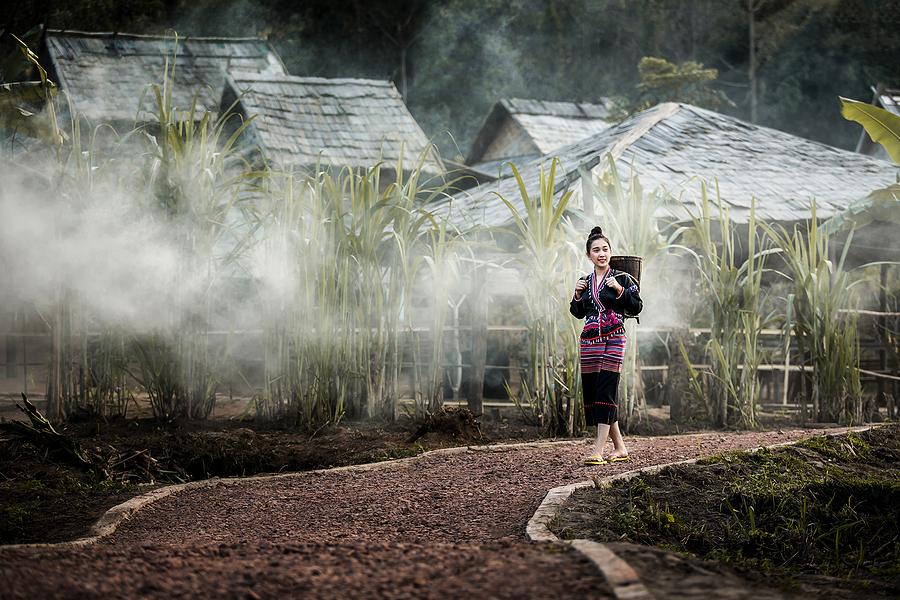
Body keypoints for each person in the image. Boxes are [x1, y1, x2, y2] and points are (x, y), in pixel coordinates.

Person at [570, 226, 642, 465]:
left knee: (606, 390)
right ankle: (620, 448)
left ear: (610, 252)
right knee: (594, 393)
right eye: (596, 250)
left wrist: (619, 290)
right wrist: (577, 296)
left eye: (605, 249)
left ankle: (597, 451)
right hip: (589, 341)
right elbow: (577, 313)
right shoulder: (585, 281)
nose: (601, 253)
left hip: (614, 337)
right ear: (588, 255)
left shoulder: (622, 278)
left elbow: (636, 306)